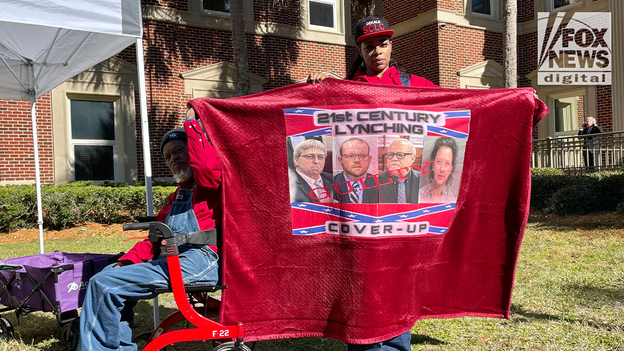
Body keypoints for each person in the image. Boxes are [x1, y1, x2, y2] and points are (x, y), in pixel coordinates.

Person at [307, 13, 441, 351]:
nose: (376, 51)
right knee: (360, 284)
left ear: (391, 45)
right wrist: (316, 89)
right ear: (360, 50)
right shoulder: (341, 90)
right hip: (357, 210)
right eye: (368, 46)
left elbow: (460, 109)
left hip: (402, 211)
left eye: (382, 43)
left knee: (397, 281)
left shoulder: (413, 86)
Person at [77, 109, 222, 351]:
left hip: (202, 261)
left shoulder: (210, 185)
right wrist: (126, 262)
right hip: (175, 259)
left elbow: (207, 165)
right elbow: (153, 241)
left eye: (178, 151)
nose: (173, 158)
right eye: (167, 156)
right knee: (106, 280)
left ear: (193, 151)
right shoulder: (174, 199)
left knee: (105, 285)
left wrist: (191, 124)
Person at [333, 138, 378, 203]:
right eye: (351, 156)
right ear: (340, 160)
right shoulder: (330, 185)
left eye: (363, 155)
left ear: (369, 159)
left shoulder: (380, 185)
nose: (357, 160)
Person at [377, 139, 420, 204]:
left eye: (400, 155)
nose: (394, 159)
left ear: (412, 158)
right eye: (390, 155)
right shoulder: (376, 181)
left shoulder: (424, 181)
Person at [419, 137, 458, 203]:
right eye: (439, 161)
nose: (442, 169)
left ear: (451, 169)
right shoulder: (419, 195)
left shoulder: (452, 201)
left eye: (447, 163)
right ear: (433, 165)